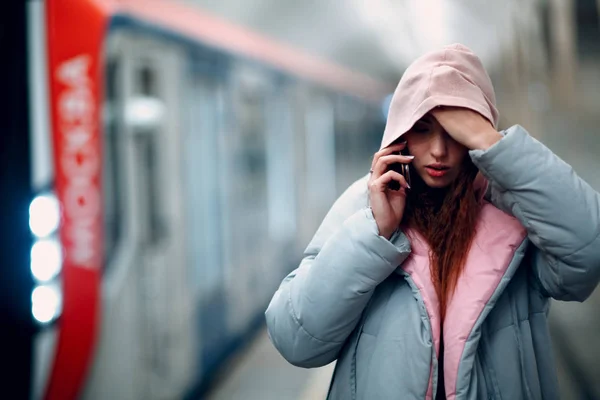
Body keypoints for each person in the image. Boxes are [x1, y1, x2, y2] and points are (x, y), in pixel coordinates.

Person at [264, 43, 600, 400]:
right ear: (401, 133)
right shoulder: (363, 208)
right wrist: (375, 234)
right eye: (423, 129)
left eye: (455, 132)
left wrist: (494, 144)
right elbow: (296, 339)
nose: (439, 150)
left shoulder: (515, 213)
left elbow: (587, 250)